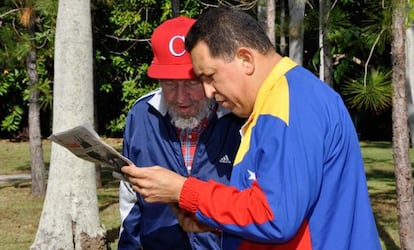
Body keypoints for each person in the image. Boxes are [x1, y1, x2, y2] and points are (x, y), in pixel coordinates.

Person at [121, 7, 382, 250]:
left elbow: (274, 217)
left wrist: (184, 191)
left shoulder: (289, 104)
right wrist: (213, 221)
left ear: (245, 59)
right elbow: (270, 206)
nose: (209, 91)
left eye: (210, 76)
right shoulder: (281, 99)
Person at [117, 16, 245, 250]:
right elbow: (130, 198)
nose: (180, 97)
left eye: (191, 83)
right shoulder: (142, 115)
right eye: (169, 83)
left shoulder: (238, 116)